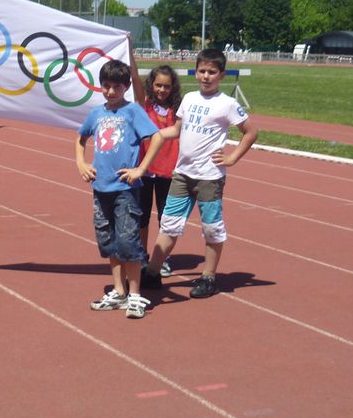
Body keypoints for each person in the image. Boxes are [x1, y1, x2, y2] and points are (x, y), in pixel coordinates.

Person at [142, 48, 258, 299]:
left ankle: (208, 277)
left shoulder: (227, 104)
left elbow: (250, 132)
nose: (206, 76)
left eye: (212, 72)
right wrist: (160, 134)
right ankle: (152, 272)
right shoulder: (189, 99)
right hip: (182, 175)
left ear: (222, 75)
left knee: (212, 228)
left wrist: (232, 158)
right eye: (202, 71)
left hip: (209, 177)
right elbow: (177, 130)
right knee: (169, 225)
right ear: (196, 72)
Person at [76, 59, 165, 319]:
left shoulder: (133, 111)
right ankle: (118, 291)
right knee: (109, 241)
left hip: (126, 189)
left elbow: (156, 137)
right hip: (100, 188)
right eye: (106, 86)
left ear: (126, 86)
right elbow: (80, 138)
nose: (111, 91)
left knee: (128, 241)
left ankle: (135, 295)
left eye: (116, 86)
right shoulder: (97, 113)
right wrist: (81, 162)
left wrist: (141, 169)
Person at [131, 62, 182, 276]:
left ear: (173, 88)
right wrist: (130, 50)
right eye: (158, 85)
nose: (161, 90)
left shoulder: (178, 109)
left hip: (168, 171)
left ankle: (163, 258)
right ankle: (142, 255)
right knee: (142, 216)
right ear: (151, 85)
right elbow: (134, 80)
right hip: (144, 169)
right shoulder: (144, 105)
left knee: (165, 217)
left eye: (166, 86)